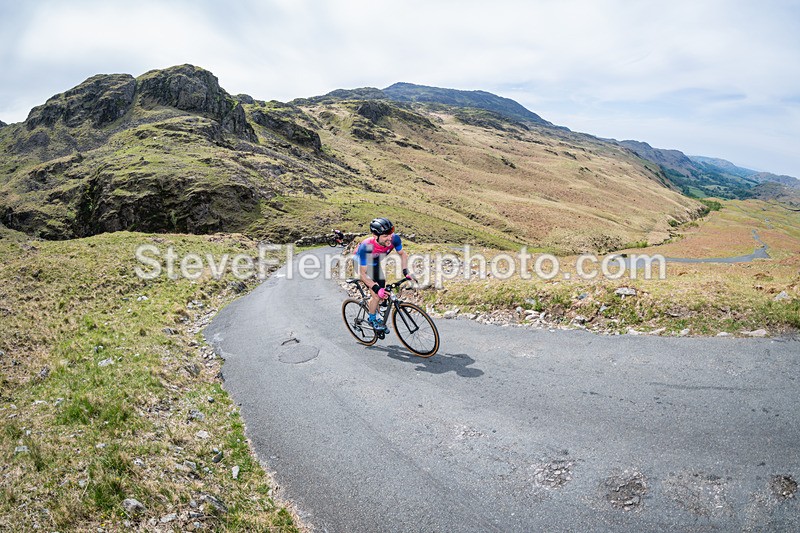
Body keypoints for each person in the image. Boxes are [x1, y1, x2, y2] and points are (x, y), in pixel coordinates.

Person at [355, 218, 414, 333]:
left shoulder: (395, 239)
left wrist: (406, 272)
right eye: (385, 236)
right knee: (377, 294)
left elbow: (402, 254)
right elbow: (363, 274)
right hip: (362, 266)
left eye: (390, 234)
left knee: (382, 292)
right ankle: (372, 319)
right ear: (375, 235)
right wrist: (376, 288)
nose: (389, 238)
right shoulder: (366, 247)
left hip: (375, 263)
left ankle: (376, 309)